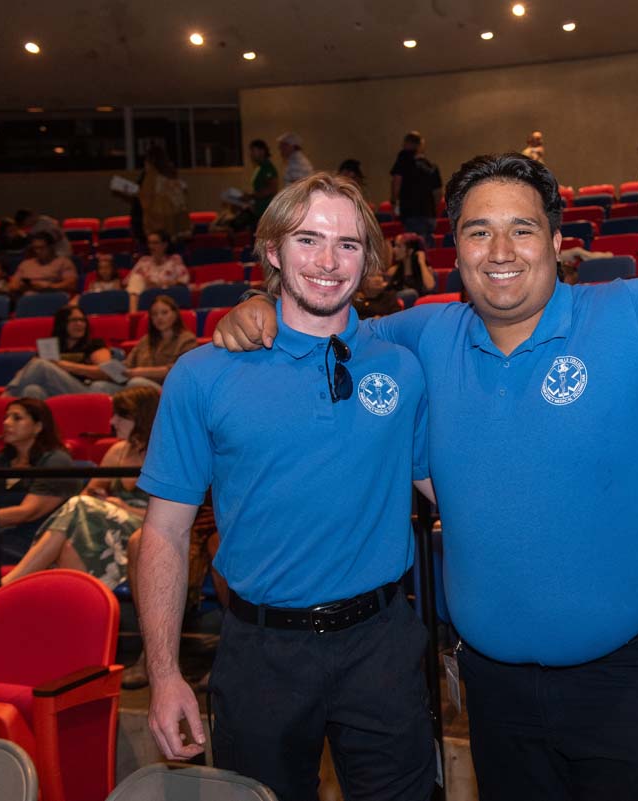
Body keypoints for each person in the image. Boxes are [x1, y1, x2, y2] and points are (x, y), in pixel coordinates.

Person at [213, 154, 638, 801]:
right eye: (479, 231)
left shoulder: (633, 311)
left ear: (558, 241)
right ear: (454, 246)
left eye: (524, 228)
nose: (501, 250)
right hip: (496, 693)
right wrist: (256, 305)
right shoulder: (427, 333)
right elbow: (321, 316)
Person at [136, 172, 436, 800]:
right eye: (308, 240)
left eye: (348, 245)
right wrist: (164, 673)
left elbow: (447, 495)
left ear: (370, 259)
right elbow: (164, 533)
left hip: (383, 645)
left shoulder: (402, 366)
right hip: (259, 654)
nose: (328, 263)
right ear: (272, 250)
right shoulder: (202, 374)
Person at [0, 387, 160, 613]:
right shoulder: (117, 451)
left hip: (146, 531)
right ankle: (69, 624)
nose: (112, 421)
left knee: (77, 505)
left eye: (121, 415)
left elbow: (178, 514)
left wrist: (123, 506)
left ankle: (1, 590)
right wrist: (102, 499)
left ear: (141, 418)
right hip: (108, 528)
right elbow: (88, 494)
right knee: (71, 542)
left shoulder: (166, 453)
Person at [0, 399, 80, 570]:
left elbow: (28, 512)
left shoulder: (55, 461)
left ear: (38, 427)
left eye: (17, 418)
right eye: (6, 417)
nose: (6, 423)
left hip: (31, 543)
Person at [5, 305, 112, 399]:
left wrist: (63, 365)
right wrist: (24, 373)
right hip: (56, 391)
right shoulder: (51, 346)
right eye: (74, 320)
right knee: (31, 390)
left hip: (84, 390)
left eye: (82, 320)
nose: (80, 324)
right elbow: (26, 371)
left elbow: (106, 372)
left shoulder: (95, 344)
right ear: (62, 323)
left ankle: (6, 399)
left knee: (41, 364)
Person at [390, 131, 443, 242]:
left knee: (415, 248)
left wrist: (394, 202)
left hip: (411, 214)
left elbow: (397, 181)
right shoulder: (432, 167)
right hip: (430, 215)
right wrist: (432, 208)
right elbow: (438, 193)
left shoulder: (403, 160)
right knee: (428, 249)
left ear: (408, 144)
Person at [126, 230, 189, 313]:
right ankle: (133, 315)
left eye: (155, 243)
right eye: (150, 243)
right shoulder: (144, 261)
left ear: (165, 245)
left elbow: (184, 280)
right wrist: (146, 282)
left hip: (168, 297)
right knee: (136, 278)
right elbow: (128, 281)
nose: (151, 246)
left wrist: (160, 284)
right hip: (147, 299)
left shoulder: (174, 259)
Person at [139, 145, 190, 242]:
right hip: (178, 225)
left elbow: (146, 202)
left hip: (159, 227)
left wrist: (137, 194)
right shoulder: (172, 175)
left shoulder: (151, 177)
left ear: (151, 161)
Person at [7, 231, 78, 296]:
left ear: (51, 247)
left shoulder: (64, 262)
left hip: (51, 297)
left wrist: (48, 286)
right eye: (35, 248)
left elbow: (71, 285)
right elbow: (13, 285)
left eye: (41, 248)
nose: (38, 251)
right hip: (27, 298)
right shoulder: (25, 264)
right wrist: (22, 286)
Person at [385, 233, 437, 306]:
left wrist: (422, 263)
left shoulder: (425, 270)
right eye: (395, 246)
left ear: (410, 251)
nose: (394, 250)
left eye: (399, 246)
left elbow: (430, 287)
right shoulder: (392, 271)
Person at [244, 138, 280, 221]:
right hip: (258, 210)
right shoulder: (259, 167)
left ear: (262, 151)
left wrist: (251, 195)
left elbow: (272, 189)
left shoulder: (268, 167)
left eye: (253, 151)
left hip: (266, 211)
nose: (251, 154)